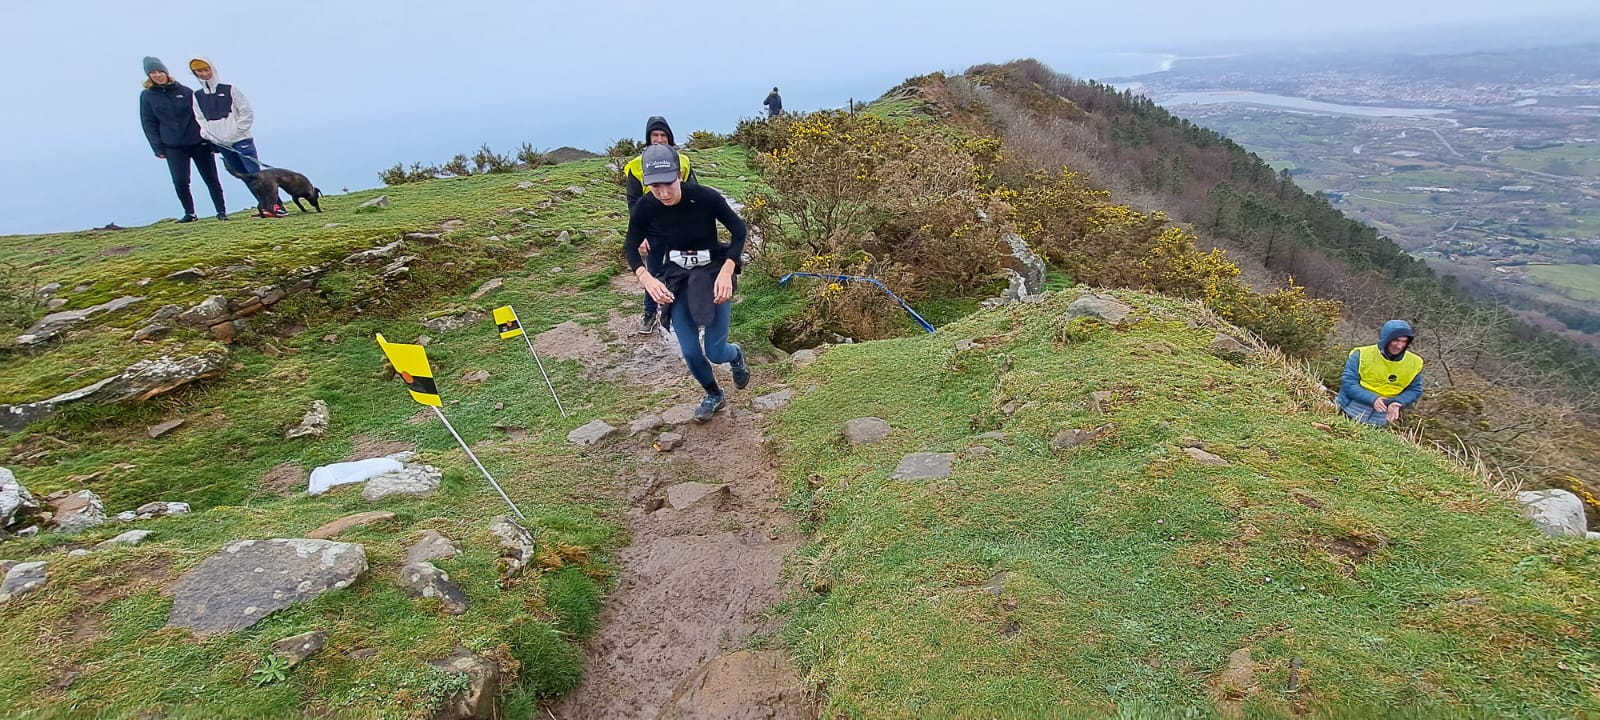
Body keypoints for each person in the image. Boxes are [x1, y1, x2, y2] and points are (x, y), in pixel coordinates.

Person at [625, 145, 750, 422]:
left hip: (714, 271)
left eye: (668, 183)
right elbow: (630, 248)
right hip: (677, 276)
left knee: (715, 352)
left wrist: (728, 269)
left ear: (679, 174)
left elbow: (739, 231)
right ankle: (714, 394)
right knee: (691, 351)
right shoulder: (646, 207)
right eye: (655, 186)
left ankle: (736, 355)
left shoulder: (705, 197)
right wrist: (646, 278)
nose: (664, 193)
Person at [622, 117, 696, 334]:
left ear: (670, 138)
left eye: (663, 135)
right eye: (654, 136)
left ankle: (687, 311)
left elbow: (693, 193)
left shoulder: (683, 162)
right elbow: (633, 203)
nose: (659, 140)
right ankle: (649, 313)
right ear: (648, 139)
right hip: (653, 230)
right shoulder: (636, 167)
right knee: (652, 272)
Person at [188, 57, 283, 218]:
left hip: (241, 140)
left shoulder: (230, 90)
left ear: (212, 69)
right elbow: (200, 118)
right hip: (222, 144)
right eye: (199, 71)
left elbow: (246, 113)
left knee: (256, 174)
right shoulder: (197, 96)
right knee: (245, 177)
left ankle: (276, 206)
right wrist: (207, 134)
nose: (204, 74)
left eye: (206, 69)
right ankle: (265, 208)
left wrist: (235, 132)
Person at [139, 57, 226, 222]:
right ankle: (190, 214)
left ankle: (221, 211)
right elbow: (148, 122)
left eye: (160, 71)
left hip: (199, 143)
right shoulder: (147, 96)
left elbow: (202, 116)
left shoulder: (185, 91)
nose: (157, 75)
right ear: (149, 76)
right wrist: (157, 147)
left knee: (211, 178)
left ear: (166, 72)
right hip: (173, 146)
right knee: (180, 181)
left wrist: (212, 141)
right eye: (153, 73)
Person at [1337, 320, 1424, 427]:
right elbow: (1348, 383)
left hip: (1382, 416)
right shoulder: (1361, 354)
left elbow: (1415, 390)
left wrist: (1398, 402)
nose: (1399, 345)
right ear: (1386, 338)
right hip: (1350, 407)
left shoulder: (1414, 362)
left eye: (1404, 341)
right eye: (1396, 340)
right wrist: (1372, 398)